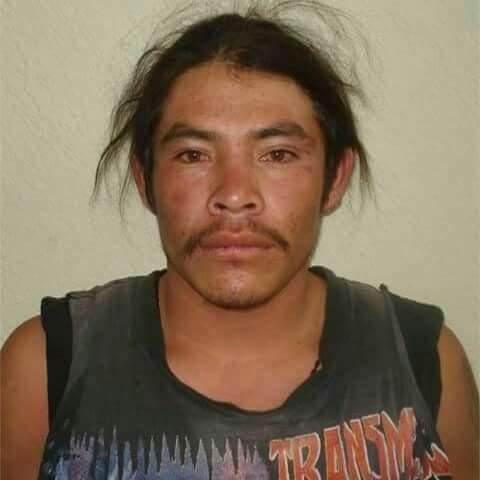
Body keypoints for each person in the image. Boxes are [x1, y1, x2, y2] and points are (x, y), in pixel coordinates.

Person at [1, 2, 478, 479]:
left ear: (335, 178)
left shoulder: (423, 362)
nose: (233, 195)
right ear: (146, 180)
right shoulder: (46, 372)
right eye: (193, 155)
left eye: (277, 154)